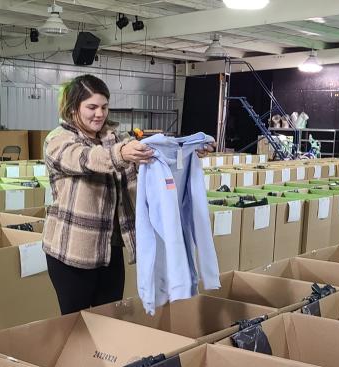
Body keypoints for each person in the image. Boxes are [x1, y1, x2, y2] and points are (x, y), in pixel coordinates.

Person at [42, 74, 213, 314]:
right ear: (73, 109)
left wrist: (186, 152)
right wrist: (122, 154)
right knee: (76, 323)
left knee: (110, 315)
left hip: (110, 249)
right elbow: (87, 159)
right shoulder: (58, 140)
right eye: (91, 107)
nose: (99, 114)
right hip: (72, 252)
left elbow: (151, 158)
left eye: (104, 107)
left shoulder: (115, 138)